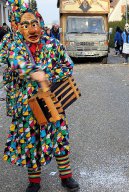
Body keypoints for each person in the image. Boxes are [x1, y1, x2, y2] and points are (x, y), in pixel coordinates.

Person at [1, 1, 79, 192]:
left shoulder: (53, 44)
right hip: (26, 105)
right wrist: (33, 72)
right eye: (25, 25)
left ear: (40, 24)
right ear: (18, 27)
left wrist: (49, 75)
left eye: (34, 24)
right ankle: (34, 182)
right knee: (31, 142)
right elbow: (15, 61)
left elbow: (68, 65)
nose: (31, 29)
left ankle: (66, 177)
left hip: (51, 100)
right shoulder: (12, 45)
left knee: (59, 137)